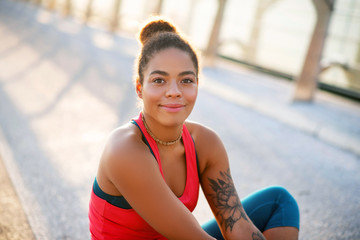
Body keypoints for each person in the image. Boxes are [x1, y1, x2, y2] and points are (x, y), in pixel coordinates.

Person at [88, 17, 300, 240]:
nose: (174, 92)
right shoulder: (125, 149)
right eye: (159, 80)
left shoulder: (205, 143)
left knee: (279, 202)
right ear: (140, 88)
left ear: (197, 85)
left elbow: (237, 226)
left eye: (186, 80)